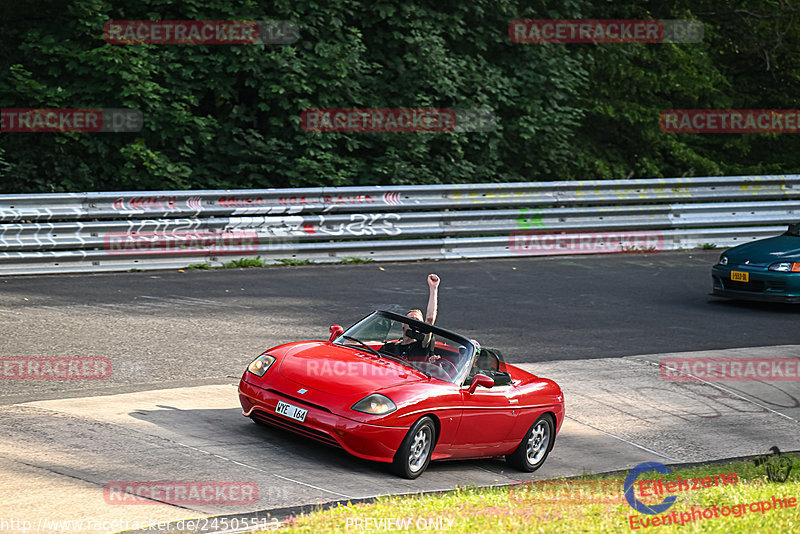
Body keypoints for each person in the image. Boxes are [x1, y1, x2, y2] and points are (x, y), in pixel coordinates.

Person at [380, 274, 440, 360]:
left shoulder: (422, 345)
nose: (413, 322)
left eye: (417, 320)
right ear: (403, 324)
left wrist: (433, 288)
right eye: (411, 319)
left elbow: (430, 319)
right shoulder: (389, 347)